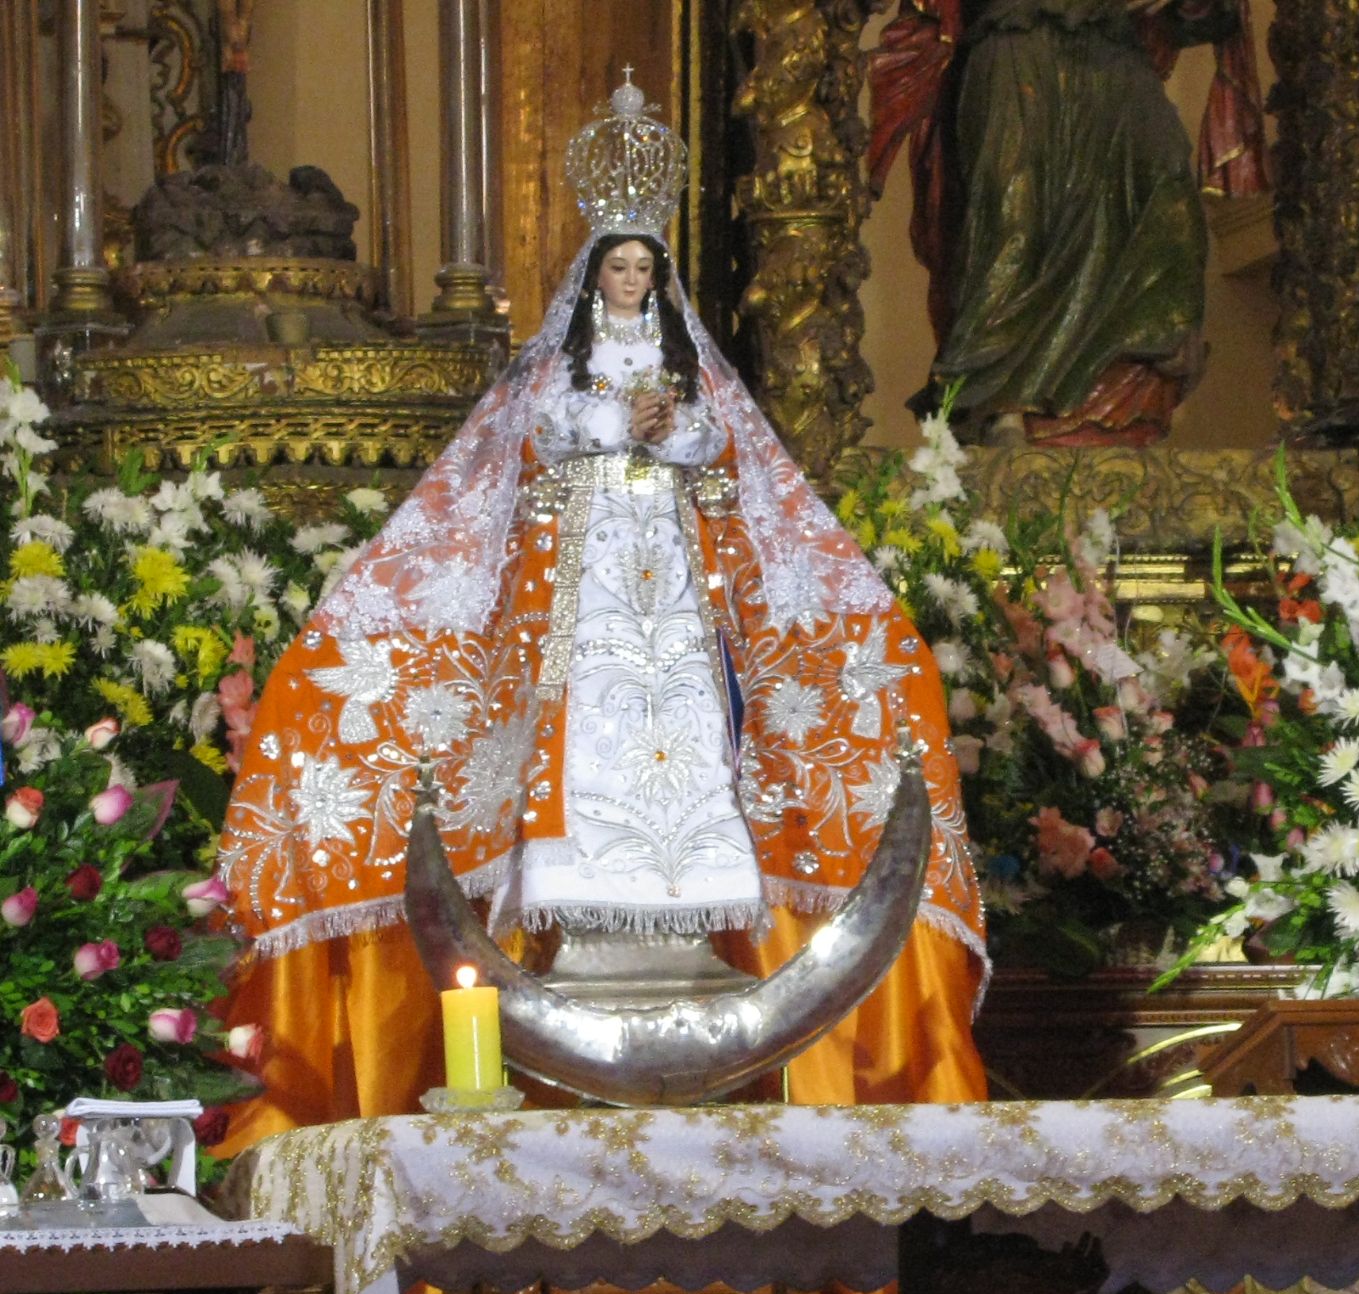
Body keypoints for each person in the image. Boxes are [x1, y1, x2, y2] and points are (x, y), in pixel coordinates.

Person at [212, 77, 989, 1155]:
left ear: (658, 280)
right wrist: (604, 420)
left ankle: (689, 918)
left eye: (641, 268)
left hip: (666, 568)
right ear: (594, 278)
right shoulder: (559, 366)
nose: (629, 280)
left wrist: (667, 430)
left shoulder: (684, 358)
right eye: (617, 267)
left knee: (685, 725)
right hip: (585, 583)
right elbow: (527, 443)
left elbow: (725, 459)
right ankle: (579, 915)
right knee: (595, 723)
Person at [869, 0, 1266, 447]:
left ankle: (1130, 406)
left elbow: (1198, 19)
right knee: (1013, 221)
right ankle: (1002, 408)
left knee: (1167, 207)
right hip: (1018, 42)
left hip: (1113, 52)